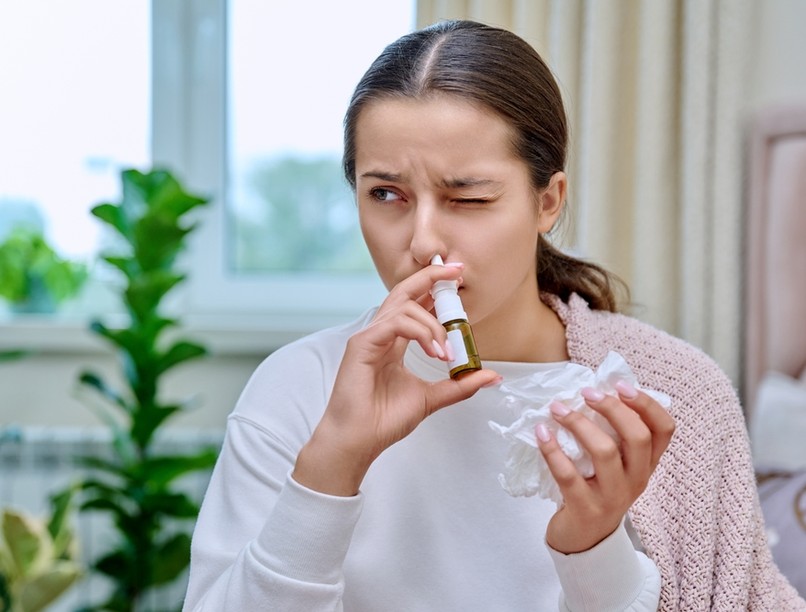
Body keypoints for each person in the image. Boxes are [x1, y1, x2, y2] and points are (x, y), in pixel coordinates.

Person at [183, 20, 805, 611]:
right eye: (386, 195)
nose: (424, 240)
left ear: (547, 201)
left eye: (469, 198)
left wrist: (591, 546)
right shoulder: (296, 388)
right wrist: (330, 467)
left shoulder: (669, 397)